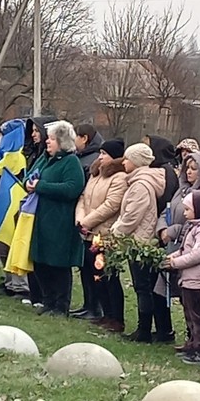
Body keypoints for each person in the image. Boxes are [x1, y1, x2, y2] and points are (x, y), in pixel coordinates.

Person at [112, 143, 172, 343]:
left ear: (136, 162)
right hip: (141, 240)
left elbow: (132, 216)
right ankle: (148, 328)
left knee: (142, 287)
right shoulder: (140, 181)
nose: (124, 162)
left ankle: (143, 330)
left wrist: (116, 232)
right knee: (144, 287)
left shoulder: (140, 185)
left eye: (127, 159)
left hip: (140, 242)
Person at [27, 120, 85, 315]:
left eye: (51, 139)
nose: (47, 142)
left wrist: (41, 187)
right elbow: (31, 175)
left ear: (62, 141)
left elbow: (72, 188)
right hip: (41, 219)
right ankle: (48, 301)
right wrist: (30, 182)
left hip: (60, 221)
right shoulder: (47, 158)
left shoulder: (71, 162)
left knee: (58, 265)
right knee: (40, 262)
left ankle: (61, 306)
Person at [162, 188, 200, 364]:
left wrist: (175, 263)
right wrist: (171, 257)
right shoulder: (194, 227)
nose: (185, 213)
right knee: (190, 312)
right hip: (188, 278)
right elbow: (184, 249)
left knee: (198, 315)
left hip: (197, 280)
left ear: (199, 209)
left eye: (187, 209)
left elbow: (197, 255)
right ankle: (193, 343)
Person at [75, 139, 127, 330]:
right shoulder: (95, 174)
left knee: (108, 276)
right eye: (100, 153)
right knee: (94, 275)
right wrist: (80, 219)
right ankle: (105, 313)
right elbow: (83, 198)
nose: (100, 157)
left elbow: (111, 205)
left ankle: (116, 317)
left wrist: (88, 221)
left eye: (105, 154)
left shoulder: (119, 178)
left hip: (104, 234)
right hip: (88, 232)